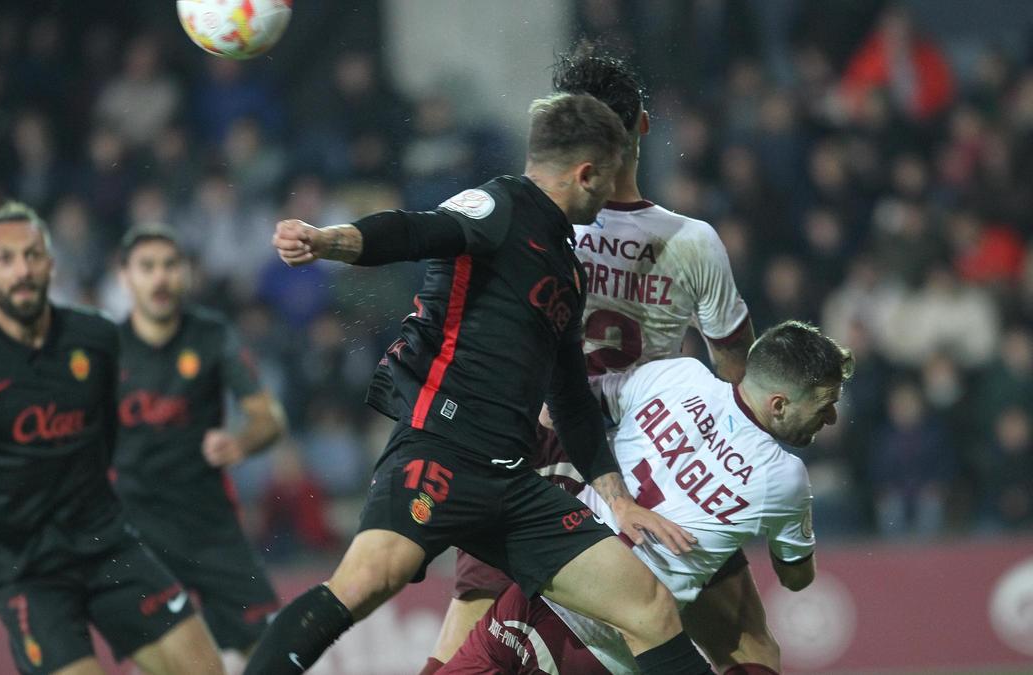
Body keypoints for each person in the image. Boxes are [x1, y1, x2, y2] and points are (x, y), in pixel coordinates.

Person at [244, 93, 711, 675]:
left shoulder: (567, 265)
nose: (613, 191)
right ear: (587, 173)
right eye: (609, 176)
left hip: (512, 484)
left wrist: (619, 501)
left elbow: (569, 397)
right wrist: (329, 242)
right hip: (441, 452)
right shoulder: (497, 205)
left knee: (649, 607)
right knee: (365, 582)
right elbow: (418, 231)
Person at [429, 43, 772, 675]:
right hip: (657, 456)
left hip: (533, 445)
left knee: (477, 622)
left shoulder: (525, 224)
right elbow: (738, 373)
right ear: (642, 124)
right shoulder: (693, 243)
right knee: (745, 647)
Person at [0, 202, 224, 675]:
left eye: (32, 255)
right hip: (27, 570)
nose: (22, 270)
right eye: (5, 260)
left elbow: (114, 430)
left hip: (108, 547)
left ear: (50, 263)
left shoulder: (97, 338)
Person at [442, 321, 851, 674]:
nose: (830, 417)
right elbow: (796, 578)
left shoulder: (680, 376)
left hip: (543, 584)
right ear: (778, 404)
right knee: (756, 643)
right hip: (598, 647)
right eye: (825, 404)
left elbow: (572, 406)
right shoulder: (785, 478)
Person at [115, 223, 287, 670]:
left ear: (185, 274)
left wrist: (242, 441)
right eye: (147, 267)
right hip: (134, 525)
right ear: (125, 278)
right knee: (165, 661)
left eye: (170, 266)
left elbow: (270, 418)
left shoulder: (211, 336)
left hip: (207, 520)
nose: (160, 278)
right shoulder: (105, 350)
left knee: (269, 651)